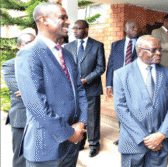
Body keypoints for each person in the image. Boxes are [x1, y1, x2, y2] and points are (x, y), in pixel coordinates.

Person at [15, 3, 88, 166]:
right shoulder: (29, 54)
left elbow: (79, 92)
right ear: (44, 20)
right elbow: (37, 105)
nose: (68, 23)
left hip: (72, 144)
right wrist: (69, 133)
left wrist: (81, 123)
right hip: (45, 148)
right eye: (63, 17)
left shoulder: (67, 55)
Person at [113, 35, 168, 167]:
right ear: (139, 51)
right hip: (133, 142)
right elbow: (120, 109)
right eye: (153, 50)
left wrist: (161, 134)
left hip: (162, 143)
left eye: (160, 49)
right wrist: (145, 138)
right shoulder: (121, 74)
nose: (159, 53)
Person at [65, 20, 106, 157]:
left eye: (78, 28)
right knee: (77, 117)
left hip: (91, 88)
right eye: (73, 29)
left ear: (86, 29)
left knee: (92, 118)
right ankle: (80, 142)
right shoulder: (68, 47)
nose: (75, 31)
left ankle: (94, 144)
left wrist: (86, 79)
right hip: (74, 91)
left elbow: (101, 67)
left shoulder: (97, 45)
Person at [2, 33, 35, 167]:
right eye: (27, 43)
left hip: (42, 116)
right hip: (21, 117)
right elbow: (18, 89)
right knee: (20, 157)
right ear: (18, 46)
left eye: (34, 42)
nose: (31, 46)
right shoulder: (9, 66)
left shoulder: (42, 64)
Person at [106, 20, 139, 145]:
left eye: (137, 27)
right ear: (125, 29)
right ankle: (123, 136)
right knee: (121, 111)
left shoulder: (142, 44)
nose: (135, 29)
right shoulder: (116, 45)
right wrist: (109, 84)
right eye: (132, 27)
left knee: (135, 112)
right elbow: (111, 65)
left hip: (136, 84)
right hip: (119, 84)